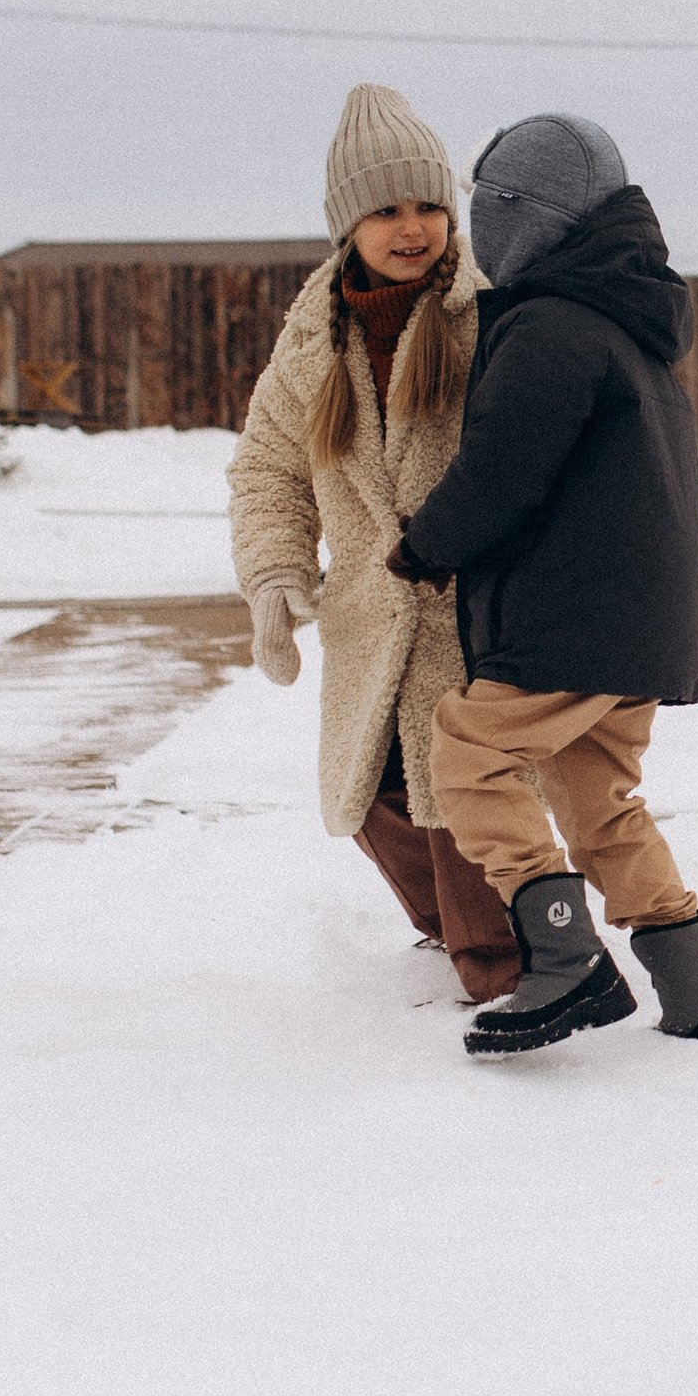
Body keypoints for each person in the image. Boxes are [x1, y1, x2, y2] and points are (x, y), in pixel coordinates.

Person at [388, 112, 698, 1059]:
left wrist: (424, 545)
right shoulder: (628, 322)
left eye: (489, 209)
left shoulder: (550, 326)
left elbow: (500, 470)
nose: (480, 229)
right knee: (598, 803)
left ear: (532, 217)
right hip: (635, 628)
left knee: (468, 756)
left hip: (567, 623)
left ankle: (564, 960)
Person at [226, 84, 523, 1002]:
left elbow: (600, 431)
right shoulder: (312, 341)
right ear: (345, 224)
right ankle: (451, 925)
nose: (413, 226)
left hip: (476, 613)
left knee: (461, 790)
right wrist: (275, 569)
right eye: (386, 207)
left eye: (430, 204)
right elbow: (267, 465)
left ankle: (512, 964)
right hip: (367, 614)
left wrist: (695, 528)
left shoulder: (495, 319)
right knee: (374, 790)